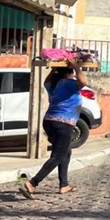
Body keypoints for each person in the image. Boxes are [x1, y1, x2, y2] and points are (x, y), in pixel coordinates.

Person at [19, 58, 87, 198]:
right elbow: (84, 82)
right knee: (57, 156)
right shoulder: (69, 83)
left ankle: (64, 185)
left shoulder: (53, 84)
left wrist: (55, 68)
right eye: (72, 73)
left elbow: (46, 81)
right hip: (63, 124)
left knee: (66, 152)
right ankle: (33, 183)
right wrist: (76, 66)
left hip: (50, 122)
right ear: (69, 73)